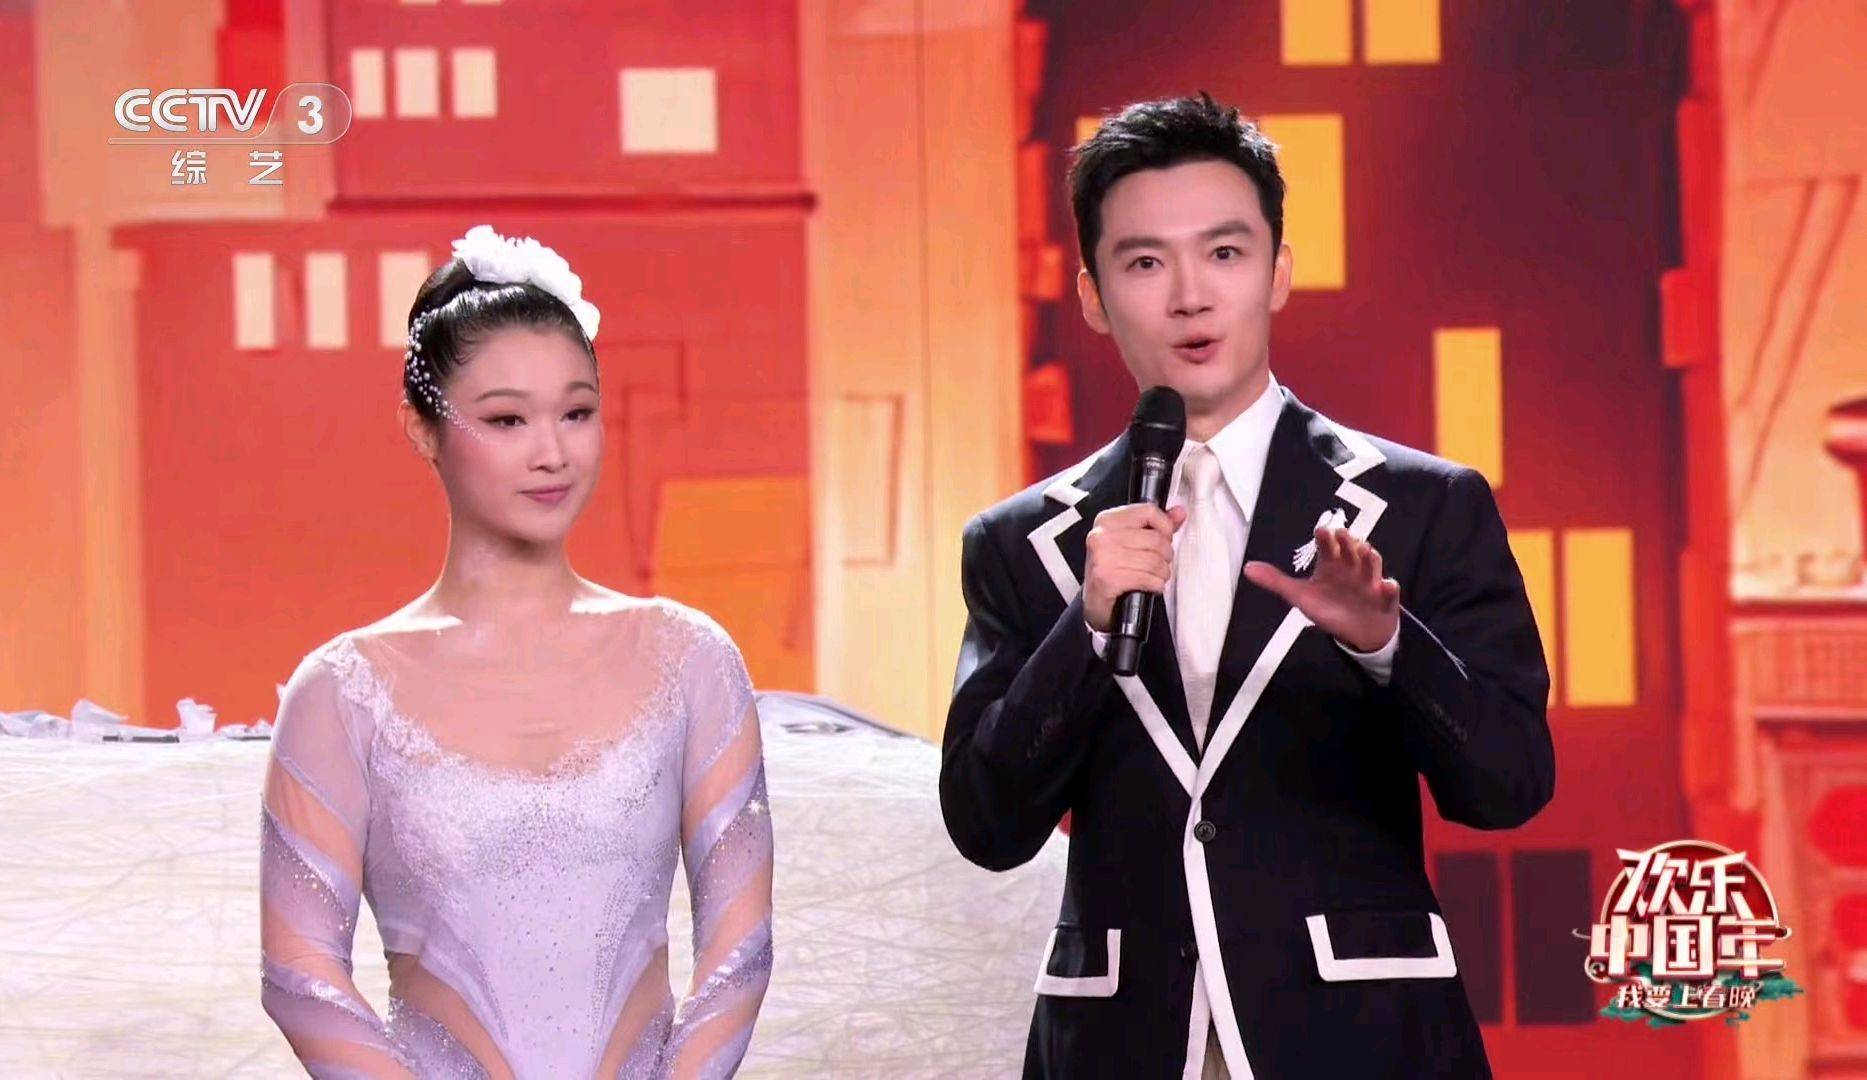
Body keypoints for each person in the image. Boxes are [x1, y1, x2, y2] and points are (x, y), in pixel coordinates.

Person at [939, 95, 1554, 1078]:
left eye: (1223, 253)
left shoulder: (1423, 505)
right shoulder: (1021, 543)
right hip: (1121, 1043)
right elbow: (985, 824)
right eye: (1145, 263)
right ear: (1092, 295)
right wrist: (1084, 631)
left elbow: (1509, 784)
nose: (1190, 296)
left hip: (1357, 1036)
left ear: (1277, 271)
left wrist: (1387, 648)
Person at [258, 226, 774, 1078]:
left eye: (577, 412)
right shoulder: (343, 691)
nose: (553, 453)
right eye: (506, 419)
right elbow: (299, 974)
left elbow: (739, 952)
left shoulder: (689, 660)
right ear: (421, 428)